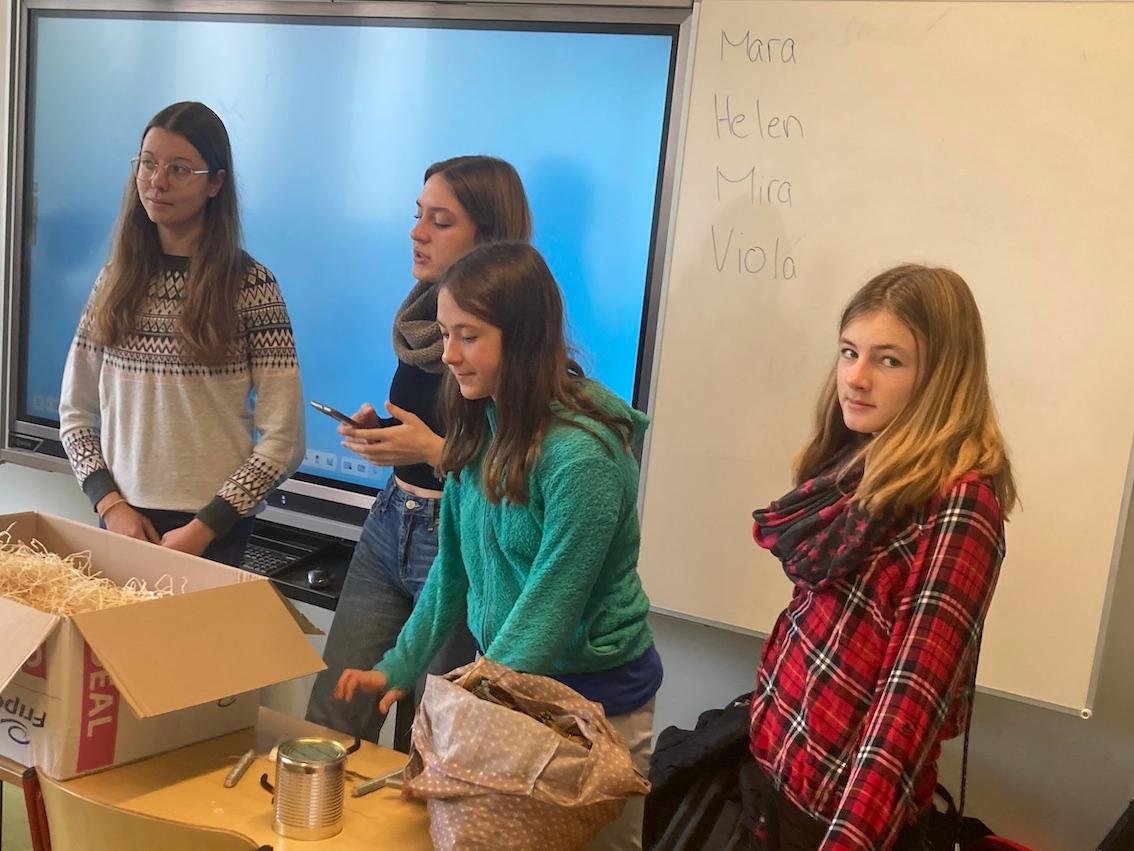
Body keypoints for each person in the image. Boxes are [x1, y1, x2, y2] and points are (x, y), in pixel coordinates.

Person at [336, 241, 663, 851]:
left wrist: (464, 723)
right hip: (512, 691)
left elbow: (548, 607)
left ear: (524, 338)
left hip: (595, 706)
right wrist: (398, 668)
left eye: (468, 336)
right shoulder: (480, 424)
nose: (449, 355)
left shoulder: (581, 457)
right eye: (444, 333)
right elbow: (451, 574)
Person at [747, 264, 1017, 850]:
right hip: (777, 781)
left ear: (941, 376)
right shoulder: (860, 464)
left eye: (888, 360)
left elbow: (907, 711)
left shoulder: (960, 503)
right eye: (849, 352)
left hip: (839, 821)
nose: (857, 378)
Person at [306, 156, 531, 750]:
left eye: (440, 220)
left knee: (427, 742)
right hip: (389, 526)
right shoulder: (423, 319)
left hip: (455, 542)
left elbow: (518, 476)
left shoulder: (515, 343)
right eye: (417, 216)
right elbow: (434, 416)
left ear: (487, 239)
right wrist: (382, 433)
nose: (417, 232)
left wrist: (434, 451)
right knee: (334, 712)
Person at [59, 101, 303, 566]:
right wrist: (109, 504)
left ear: (215, 183)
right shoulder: (114, 279)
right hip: (121, 521)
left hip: (211, 529)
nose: (157, 181)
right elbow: (76, 412)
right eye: (148, 164)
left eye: (179, 169)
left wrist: (207, 525)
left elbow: (284, 439)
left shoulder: (251, 286)